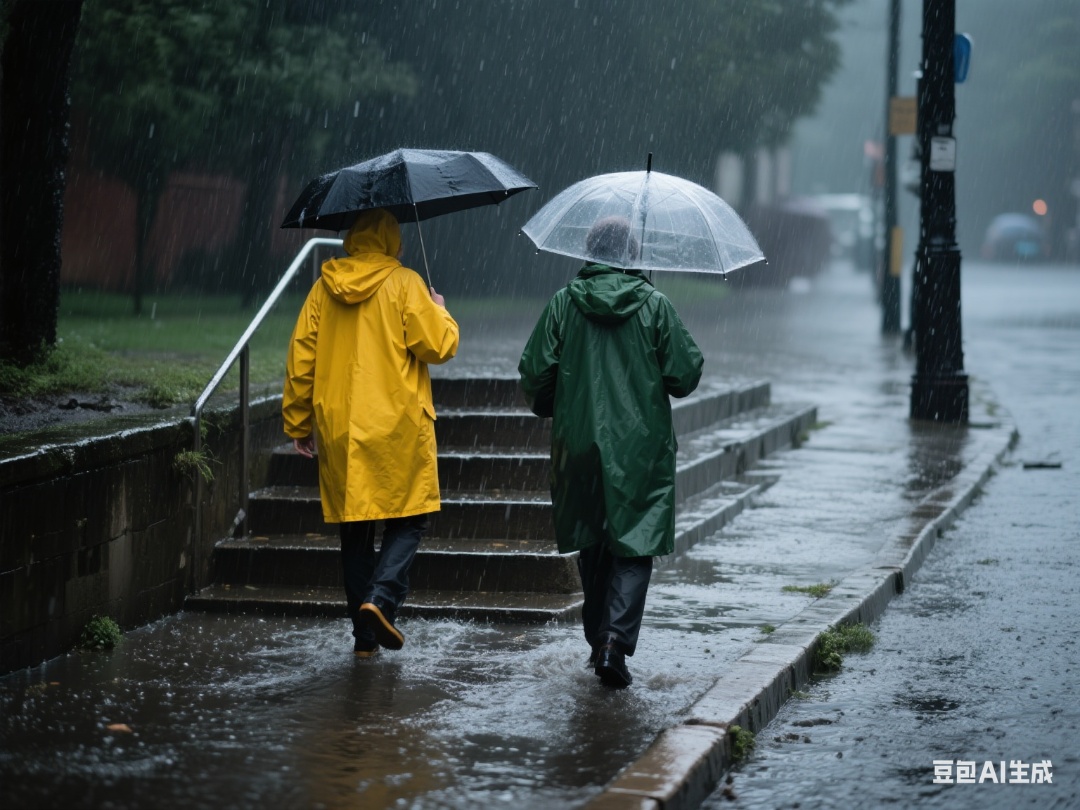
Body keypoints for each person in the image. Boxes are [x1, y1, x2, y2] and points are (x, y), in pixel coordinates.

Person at [518, 216, 703, 688]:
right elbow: (685, 375)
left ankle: (599, 638)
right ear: (633, 254)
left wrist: (558, 405)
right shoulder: (655, 305)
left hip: (577, 442)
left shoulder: (564, 303)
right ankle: (613, 641)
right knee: (635, 542)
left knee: (593, 538)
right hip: (640, 448)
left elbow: (535, 374)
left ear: (589, 251)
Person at [283, 208, 459, 658]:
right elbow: (439, 347)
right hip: (398, 424)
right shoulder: (405, 283)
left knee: (356, 531)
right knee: (410, 519)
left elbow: (301, 359)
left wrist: (298, 422)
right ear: (391, 240)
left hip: (342, 427)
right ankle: (380, 600)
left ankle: (364, 641)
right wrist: (441, 311)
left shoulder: (324, 288)